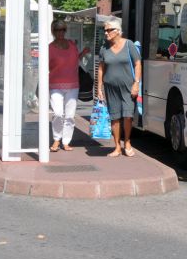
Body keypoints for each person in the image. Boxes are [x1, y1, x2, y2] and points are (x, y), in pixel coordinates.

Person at [96, 18, 141, 157]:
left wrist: (136, 83)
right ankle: (116, 146)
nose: (106, 33)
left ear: (117, 31)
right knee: (115, 117)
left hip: (128, 87)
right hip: (110, 88)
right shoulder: (104, 48)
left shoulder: (129, 45)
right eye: (105, 30)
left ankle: (127, 142)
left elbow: (137, 64)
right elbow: (101, 68)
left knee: (127, 116)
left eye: (109, 30)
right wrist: (99, 88)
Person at [48, 19, 88, 152]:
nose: (60, 32)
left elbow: (75, 60)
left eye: (63, 30)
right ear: (53, 31)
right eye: (58, 30)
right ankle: (56, 139)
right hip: (55, 85)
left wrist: (84, 53)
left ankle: (65, 141)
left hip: (73, 85)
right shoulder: (50, 48)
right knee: (58, 113)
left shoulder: (71, 44)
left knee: (70, 116)